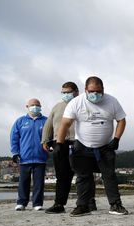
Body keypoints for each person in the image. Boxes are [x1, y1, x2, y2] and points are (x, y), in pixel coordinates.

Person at [56, 76, 129, 216]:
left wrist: (116, 139)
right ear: (85, 90)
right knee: (83, 177)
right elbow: (65, 123)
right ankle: (83, 206)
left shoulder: (112, 101)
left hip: (105, 147)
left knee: (109, 176)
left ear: (103, 90)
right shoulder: (76, 102)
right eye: (91, 91)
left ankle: (115, 205)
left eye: (98, 91)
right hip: (82, 145)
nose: (95, 94)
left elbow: (121, 120)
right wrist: (59, 143)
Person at [41, 82, 96, 214]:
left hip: (80, 142)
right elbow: (48, 125)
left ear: (76, 92)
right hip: (60, 144)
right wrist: (45, 140)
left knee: (84, 174)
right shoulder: (57, 107)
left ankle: (89, 202)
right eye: (63, 92)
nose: (65, 95)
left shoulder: (84, 104)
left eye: (68, 92)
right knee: (62, 176)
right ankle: (59, 204)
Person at [10, 98, 48, 211]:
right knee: (23, 182)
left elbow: (50, 136)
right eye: (32, 105)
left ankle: (37, 203)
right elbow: (14, 138)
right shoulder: (20, 121)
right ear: (27, 106)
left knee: (39, 183)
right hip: (24, 158)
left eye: (37, 105)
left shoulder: (46, 121)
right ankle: (21, 202)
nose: (35, 107)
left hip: (40, 157)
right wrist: (15, 152)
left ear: (40, 106)